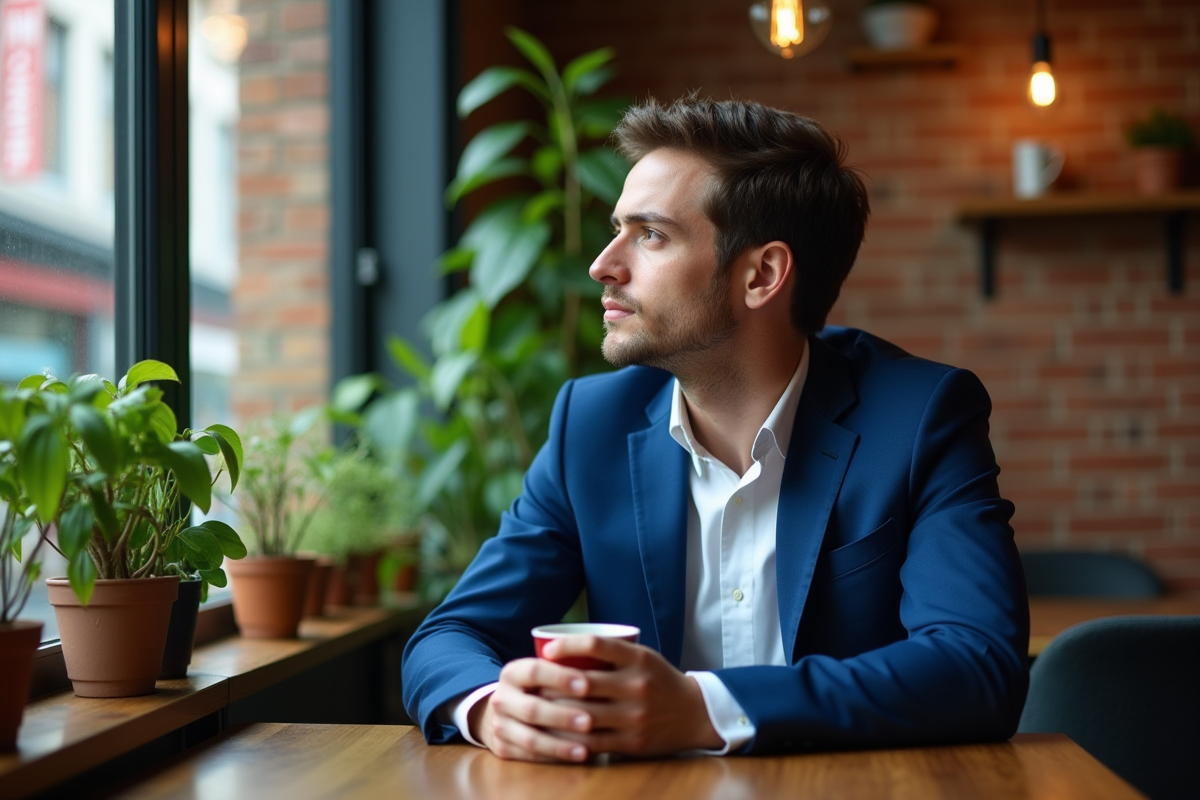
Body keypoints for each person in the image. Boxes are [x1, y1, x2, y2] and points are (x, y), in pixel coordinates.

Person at [401, 96, 1029, 762]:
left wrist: (703, 709)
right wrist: (493, 710)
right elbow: (450, 637)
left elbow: (977, 665)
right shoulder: (590, 425)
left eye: (651, 235)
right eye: (617, 228)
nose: (603, 265)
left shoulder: (920, 415)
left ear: (760, 275)